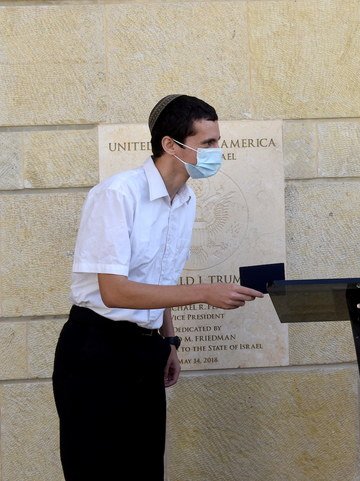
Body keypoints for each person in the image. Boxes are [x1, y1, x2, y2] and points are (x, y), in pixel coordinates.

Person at [52, 94, 263, 481]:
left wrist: (168, 341)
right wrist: (204, 293)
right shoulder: (118, 195)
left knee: (146, 469)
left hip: (145, 349)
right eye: (208, 143)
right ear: (171, 144)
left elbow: (159, 280)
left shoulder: (184, 200)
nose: (218, 152)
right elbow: (115, 292)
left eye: (219, 141)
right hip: (96, 350)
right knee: (97, 470)